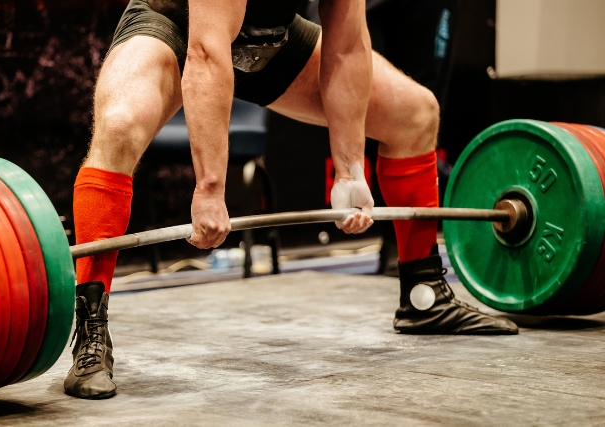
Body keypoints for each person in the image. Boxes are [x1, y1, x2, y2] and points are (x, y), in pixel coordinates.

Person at [65, 0, 518, 400]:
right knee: (121, 124)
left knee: (415, 114)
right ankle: (90, 331)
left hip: (269, 43)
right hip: (178, 27)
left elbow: (346, 45)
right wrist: (209, 190)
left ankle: (424, 296)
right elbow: (206, 51)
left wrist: (349, 169)